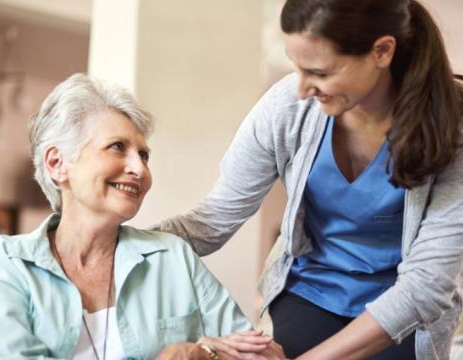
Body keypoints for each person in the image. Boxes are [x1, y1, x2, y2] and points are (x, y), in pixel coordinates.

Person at [154, 0, 463, 359]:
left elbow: (425, 286)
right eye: (296, 68)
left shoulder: (453, 126)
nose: (301, 88)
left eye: (319, 72)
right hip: (310, 292)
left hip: (403, 309)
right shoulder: (288, 108)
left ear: (381, 51)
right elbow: (213, 219)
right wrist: (119, 243)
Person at [0, 73, 281, 360]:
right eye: (117, 147)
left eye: (144, 155)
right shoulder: (4, 263)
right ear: (56, 163)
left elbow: (265, 355)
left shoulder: (173, 257)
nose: (140, 169)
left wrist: (201, 353)